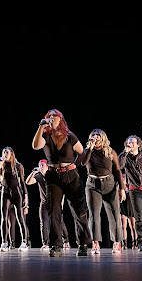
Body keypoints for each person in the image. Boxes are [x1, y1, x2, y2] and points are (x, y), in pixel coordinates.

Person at [32, 109, 91, 257]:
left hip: (71, 175)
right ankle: (56, 245)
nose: (51, 119)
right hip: (53, 176)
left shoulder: (69, 136)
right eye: (49, 117)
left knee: (78, 210)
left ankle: (83, 243)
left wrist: (73, 167)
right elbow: (36, 146)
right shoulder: (45, 135)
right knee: (54, 210)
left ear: (61, 119)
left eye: (54, 116)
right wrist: (41, 126)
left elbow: (82, 152)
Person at [81, 129, 125, 254]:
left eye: (98, 136)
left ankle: (117, 242)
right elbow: (84, 163)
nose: (95, 137)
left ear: (103, 138)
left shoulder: (110, 152)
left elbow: (117, 170)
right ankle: (95, 243)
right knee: (94, 214)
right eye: (93, 136)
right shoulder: (87, 152)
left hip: (109, 184)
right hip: (93, 184)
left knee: (114, 213)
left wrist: (121, 189)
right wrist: (90, 148)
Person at [26, 159, 70, 250]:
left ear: (47, 166)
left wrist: (61, 202)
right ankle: (45, 243)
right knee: (44, 223)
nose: (41, 167)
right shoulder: (38, 176)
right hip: (44, 203)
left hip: (54, 202)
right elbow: (28, 182)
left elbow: (62, 189)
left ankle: (66, 241)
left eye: (42, 165)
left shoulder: (52, 175)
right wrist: (33, 173)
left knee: (60, 222)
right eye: (40, 165)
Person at [0, 147, 29, 252]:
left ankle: (24, 242)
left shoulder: (18, 166)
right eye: (4, 152)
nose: (5, 154)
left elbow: (22, 182)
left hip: (16, 193)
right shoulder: (2, 165)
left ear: (12, 154)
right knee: (4, 218)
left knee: (20, 217)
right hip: (5, 193)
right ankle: (4, 242)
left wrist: (26, 196)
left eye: (7, 152)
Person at [120, 173, 138, 249]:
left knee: (133, 226)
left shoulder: (130, 186)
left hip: (130, 206)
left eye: (124, 177)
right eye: (122, 177)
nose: (123, 178)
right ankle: (124, 243)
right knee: (123, 226)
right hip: (123, 206)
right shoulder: (119, 188)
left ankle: (135, 243)